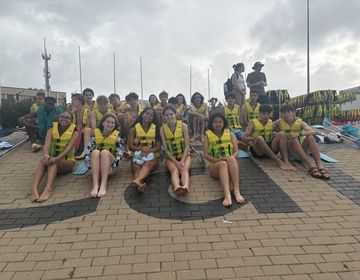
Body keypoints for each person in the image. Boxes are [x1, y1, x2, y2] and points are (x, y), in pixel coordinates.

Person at [30, 111, 78, 202]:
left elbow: (68, 149)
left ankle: (48, 189)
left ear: (71, 120)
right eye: (62, 116)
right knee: (43, 161)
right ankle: (34, 189)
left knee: (53, 163)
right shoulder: (51, 130)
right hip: (53, 160)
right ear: (59, 118)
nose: (64, 119)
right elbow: (47, 145)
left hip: (68, 162)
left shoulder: (74, 133)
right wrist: (46, 156)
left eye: (67, 118)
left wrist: (56, 159)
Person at [273, 104, 331, 179]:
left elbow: (313, 131)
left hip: (300, 151)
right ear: (281, 114)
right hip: (289, 153)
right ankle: (310, 166)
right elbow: (267, 127)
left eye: (288, 112)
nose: (286, 114)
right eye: (284, 112)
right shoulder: (278, 123)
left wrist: (298, 133)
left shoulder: (300, 122)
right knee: (294, 140)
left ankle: (320, 166)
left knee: (310, 137)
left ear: (293, 113)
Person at [203, 113, 245, 207]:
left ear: (224, 123)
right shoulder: (207, 137)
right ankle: (227, 194)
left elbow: (236, 151)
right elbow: (206, 155)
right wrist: (218, 160)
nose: (217, 124)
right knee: (223, 163)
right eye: (215, 122)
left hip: (230, 164)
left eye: (220, 122)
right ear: (211, 123)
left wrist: (229, 158)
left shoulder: (231, 135)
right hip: (215, 167)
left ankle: (236, 191)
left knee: (231, 158)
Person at [244, 104, 296, 171]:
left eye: (268, 114)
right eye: (264, 114)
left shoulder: (271, 123)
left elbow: (281, 135)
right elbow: (244, 138)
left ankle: (286, 161)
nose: (266, 116)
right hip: (259, 151)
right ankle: (279, 162)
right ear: (260, 114)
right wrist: (253, 138)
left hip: (270, 148)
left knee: (282, 134)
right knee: (259, 138)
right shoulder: (253, 123)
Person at [84, 114, 125, 197]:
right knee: (95, 152)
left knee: (105, 152)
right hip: (96, 169)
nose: (110, 124)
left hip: (111, 168)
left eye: (112, 123)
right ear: (102, 123)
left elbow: (120, 157)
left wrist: (112, 168)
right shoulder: (94, 138)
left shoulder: (118, 139)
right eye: (108, 122)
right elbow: (87, 154)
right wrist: (90, 168)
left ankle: (103, 185)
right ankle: (95, 185)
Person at [127, 108, 161, 192]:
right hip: (138, 156)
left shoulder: (156, 129)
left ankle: (137, 181)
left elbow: (158, 147)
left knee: (147, 164)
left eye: (151, 115)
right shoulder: (133, 129)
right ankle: (139, 185)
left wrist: (148, 151)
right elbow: (130, 146)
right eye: (147, 113)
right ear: (142, 114)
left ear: (153, 118)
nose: (148, 116)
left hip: (152, 156)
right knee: (136, 168)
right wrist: (141, 149)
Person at [160, 106, 191, 195]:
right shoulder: (162, 129)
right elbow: (165, 149)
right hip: (170, 158)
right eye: (166, 115)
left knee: (184, 169)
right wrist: (176, 162)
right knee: (174, 170)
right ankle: (177, 186)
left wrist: (181, 160)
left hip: (185, 156)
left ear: (175, 114)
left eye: (171, 114)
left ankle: (185, 186)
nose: (169, 117)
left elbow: (187, 146)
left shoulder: (183, 126)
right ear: (163, 116)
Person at [70, 94, 91, 159]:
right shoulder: (71, 112)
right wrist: (71, 113)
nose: (72, 101)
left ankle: (84, 152)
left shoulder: (87, 112)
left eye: (74, 100)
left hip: (83, 134)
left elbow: (87, 126)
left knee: (86, 130)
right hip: (74, 132)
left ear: (80, 101)